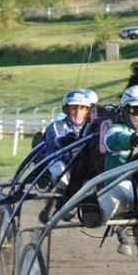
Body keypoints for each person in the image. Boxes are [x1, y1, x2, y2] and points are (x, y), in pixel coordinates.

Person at [82, 85, 138, 272]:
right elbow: (114, 139)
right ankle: (94, 211)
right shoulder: (115, 129)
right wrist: (132, 140)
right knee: (104, 210)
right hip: (117, 186)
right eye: (136, 111)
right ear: (126, 112)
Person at [38, 89, 95, 223]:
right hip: (59, 161)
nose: (78, 112)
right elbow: (56, 139)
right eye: (74, 108)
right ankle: (59, 204)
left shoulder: (90, 127)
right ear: (66, 110)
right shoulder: (57, 125)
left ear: (88, 111)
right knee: (62, 176)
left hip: (81, 162)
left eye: (83, 109)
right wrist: (67, 140)